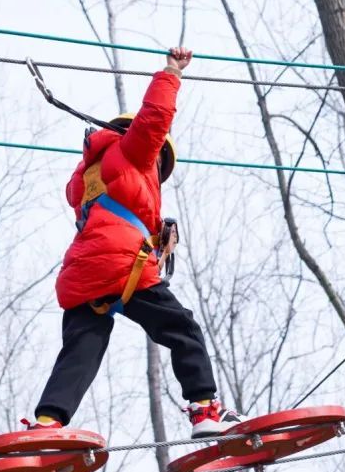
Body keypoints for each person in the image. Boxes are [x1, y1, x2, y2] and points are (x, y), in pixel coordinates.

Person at [27, 47, 247, 439]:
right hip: (122, 265)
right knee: (182, 328)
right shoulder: (134, 152)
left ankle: (49, 422)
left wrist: (157, 234)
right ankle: (204, 408)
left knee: (82, 348)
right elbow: (155, 118)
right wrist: (171, 72)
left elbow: (114, 217)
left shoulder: (87, 179)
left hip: (82, 273)